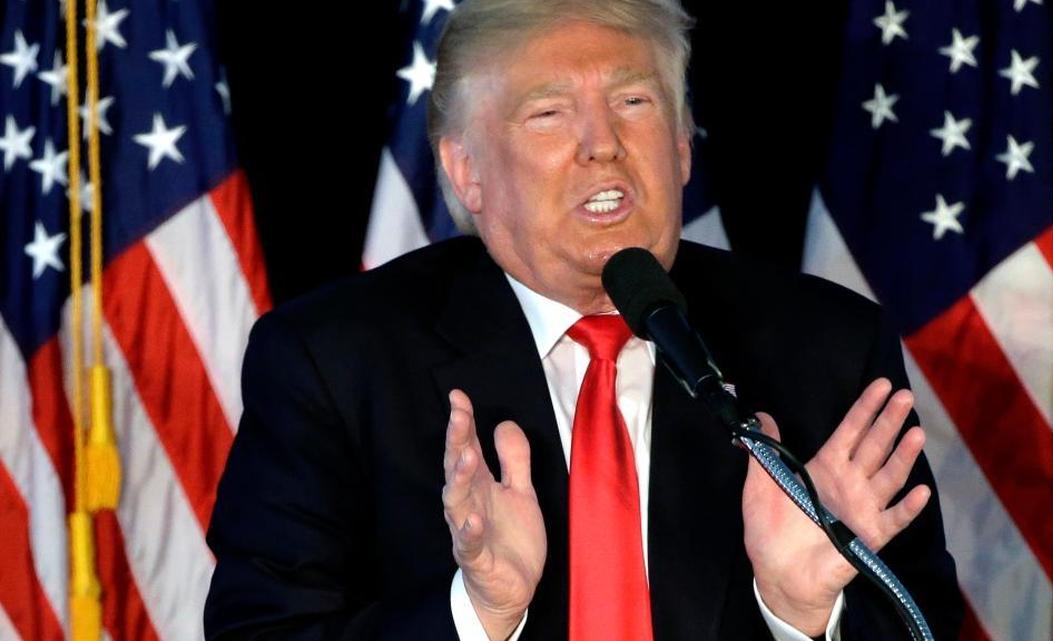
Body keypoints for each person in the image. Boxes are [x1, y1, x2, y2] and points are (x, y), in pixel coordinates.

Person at [204, 0, 963, 639]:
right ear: (466, 169)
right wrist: (476, 614)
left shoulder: (825, 350)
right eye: (549, 113)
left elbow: (927, 623)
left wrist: (800, 610)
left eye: (634, 102)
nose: (603, 146)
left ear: (680, 143)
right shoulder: (331, 362)